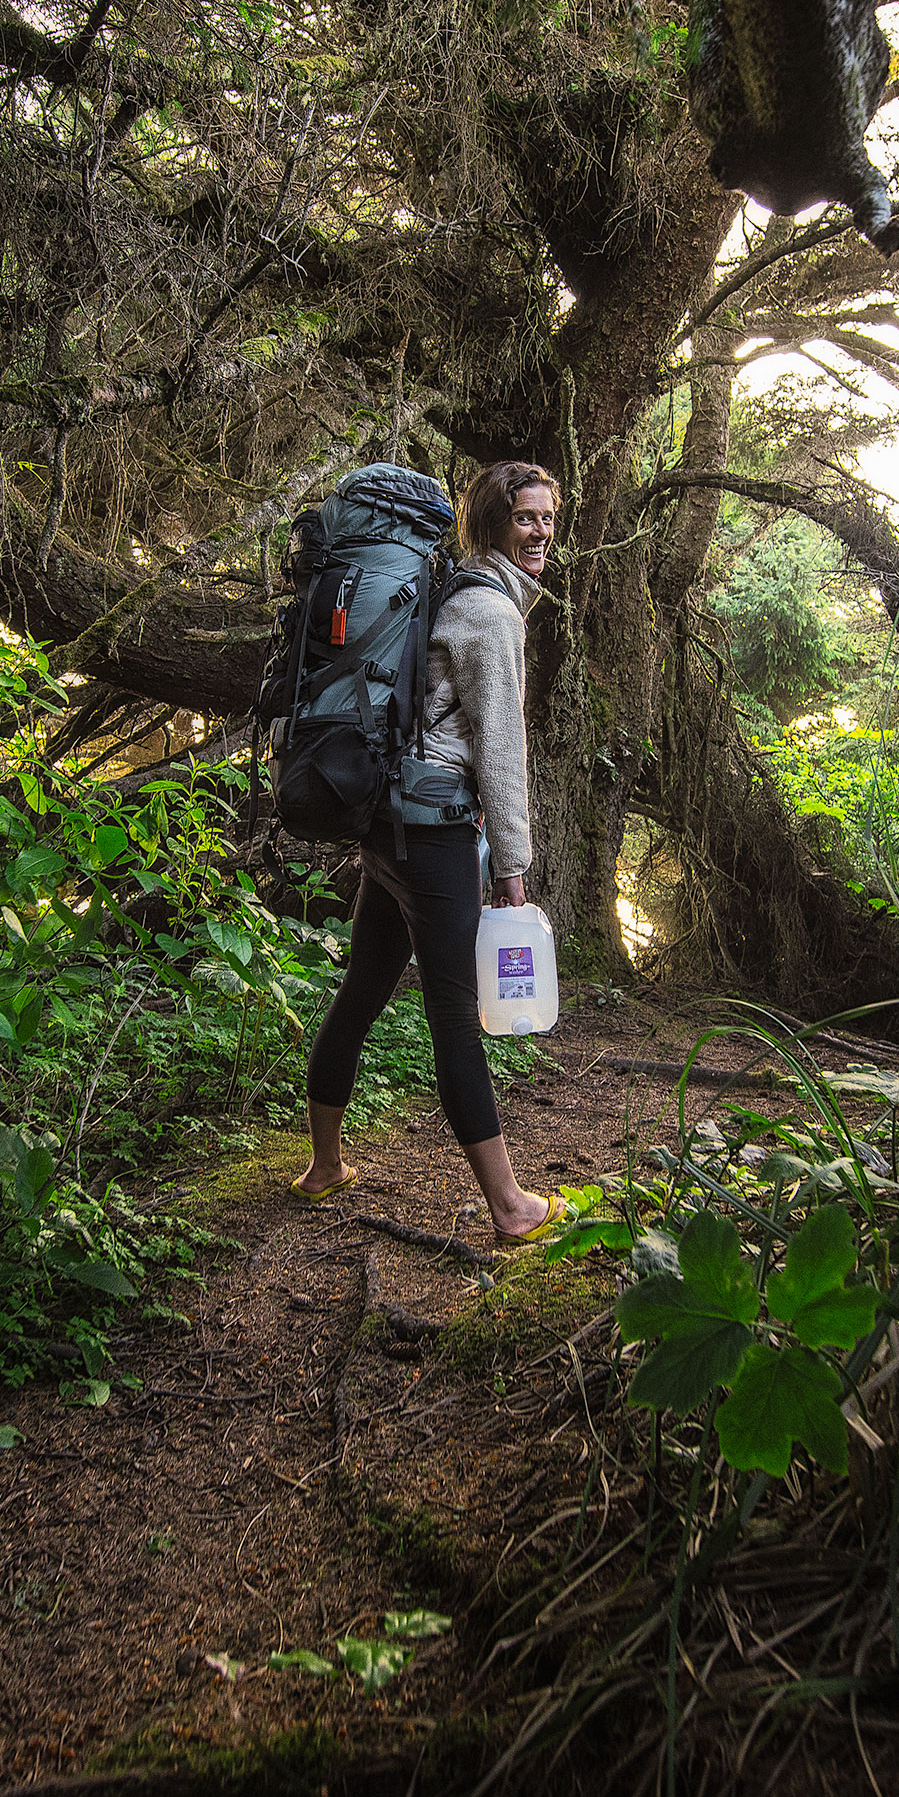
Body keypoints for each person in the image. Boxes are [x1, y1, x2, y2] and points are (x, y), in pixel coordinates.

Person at [292, 461, 567, 1242]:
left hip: (388, 824)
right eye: (525, 518)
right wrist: (512, 862)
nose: (541, 531)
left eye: (547, 517)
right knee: (454, 1014)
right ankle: (511, 1207)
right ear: (490, 523)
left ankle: (323, 1167)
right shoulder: (487, 610)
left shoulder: (445, 590)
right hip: (436, 829)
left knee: (365, 986)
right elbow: (500, 747)